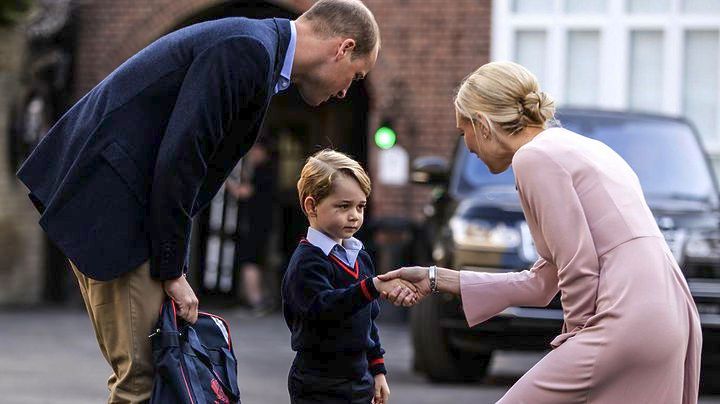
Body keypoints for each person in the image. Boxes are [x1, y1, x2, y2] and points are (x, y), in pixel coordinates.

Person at [15, 0, 380, 402]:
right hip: (118, 211)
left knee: (149, 377)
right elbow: (182, 158)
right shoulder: (247, 50)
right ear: (343, 48)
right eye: (356, 76)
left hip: (113, 204)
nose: (345, 91)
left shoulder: (255, 47)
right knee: (144, 381)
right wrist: (173, 269)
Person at [380, 61, 702, 403]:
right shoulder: (584, 148)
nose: (469, 146)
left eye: (464, 133)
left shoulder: (534, 158)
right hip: (670, 314)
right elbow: (542, 282)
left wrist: (574, 339)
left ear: (484, 124)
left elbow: (577, 266)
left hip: (624, 319)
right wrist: (434, 278)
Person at [282, 149, 417, 404]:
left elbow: (368, 322)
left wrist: (378, 371)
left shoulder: (360, 257)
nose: (354, 215)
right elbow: (324, 309)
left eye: (361, 206)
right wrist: (371, 287)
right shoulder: (306, 262)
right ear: (311, 206)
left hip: (360, 380)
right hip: (318, 383)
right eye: (343, 206)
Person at [225, 141, 276, 315]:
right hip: (260, 225)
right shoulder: (264, 170)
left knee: (250, 261)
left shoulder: (263, 171)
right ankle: (256, 299)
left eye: (254, 151)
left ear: (262, 151)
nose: (251, 155)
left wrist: (225, 180)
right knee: (254, 261)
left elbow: (243, 192)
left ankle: (256, 301)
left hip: (255, 225)